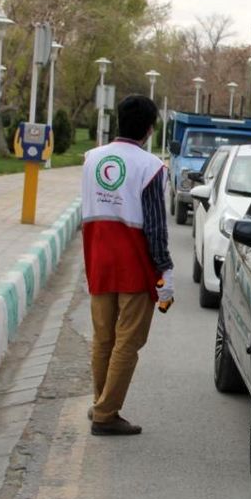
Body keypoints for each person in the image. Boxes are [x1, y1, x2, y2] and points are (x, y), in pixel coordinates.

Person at [82, 95, 174, 435]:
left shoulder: (91, 158)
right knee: (128, 342)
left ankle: (100, 402)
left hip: (98, 261)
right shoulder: (150, 167)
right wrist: (164, 269)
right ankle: (106, 413)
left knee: (103, 338)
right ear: (150, 129)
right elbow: (155, 225)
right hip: (135, 265)